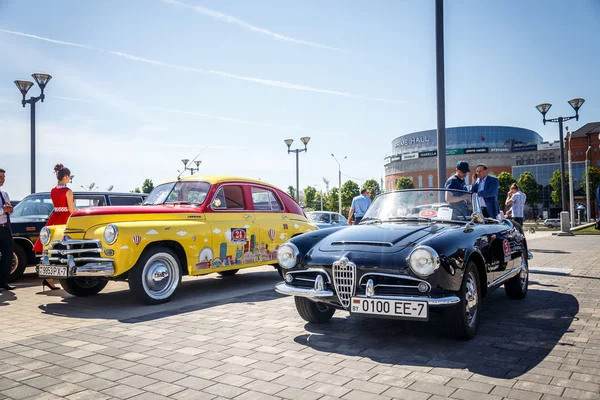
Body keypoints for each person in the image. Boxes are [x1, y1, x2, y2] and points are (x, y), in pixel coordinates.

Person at [33, 164, 76, 291]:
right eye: (69, 177)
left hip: (54, 218)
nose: (70, 179)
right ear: (66, 176)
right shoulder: (68, 191)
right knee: (64, 247)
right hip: (65, 219)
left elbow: (57, 206)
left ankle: (49, 279)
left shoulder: (53, 190)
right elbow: (71, 209)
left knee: (49, 247)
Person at [0, 168, 16, 292]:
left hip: (6, 228)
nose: (2, 179)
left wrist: (10, 209)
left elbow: (9, 210)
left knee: (8, 255)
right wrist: (3, 210)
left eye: (4, 177)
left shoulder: (4, 194)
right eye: (0, 177)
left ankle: (4, 282)